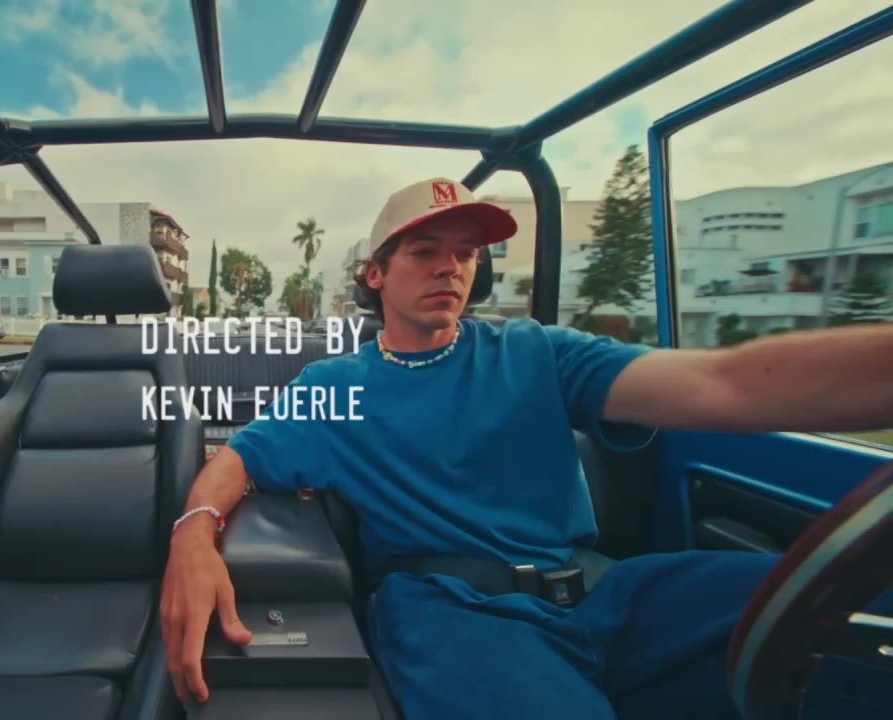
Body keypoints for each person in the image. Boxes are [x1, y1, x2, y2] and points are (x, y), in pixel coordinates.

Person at [160, 177, 893, 719]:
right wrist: (193, 536)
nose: (450, 267)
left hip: (605, 593)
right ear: (375, 274)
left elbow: (721, 383)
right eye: (424, 250)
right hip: (454, 609)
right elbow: (239, 459)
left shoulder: (538, 351)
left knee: (835, 619)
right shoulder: (337, 384)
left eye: (466, 253)